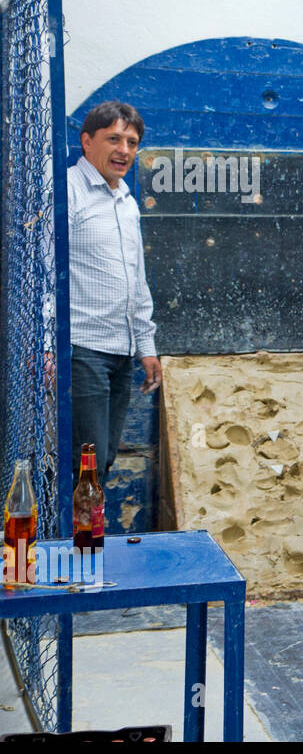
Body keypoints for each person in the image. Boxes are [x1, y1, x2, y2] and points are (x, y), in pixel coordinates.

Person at [68, 101, 162, 486]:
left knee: (104, 458)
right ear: (87, 141)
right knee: (85, 463)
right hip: (83, 349)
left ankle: (87, 543)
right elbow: (41, 271)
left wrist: (146, 345)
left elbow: (136, 279)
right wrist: (42, 346)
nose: (124, 149)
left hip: (122, 353)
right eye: (114, 139)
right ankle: (76, 544)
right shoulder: (68, 193)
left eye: (132, 141)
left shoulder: (126, 201)